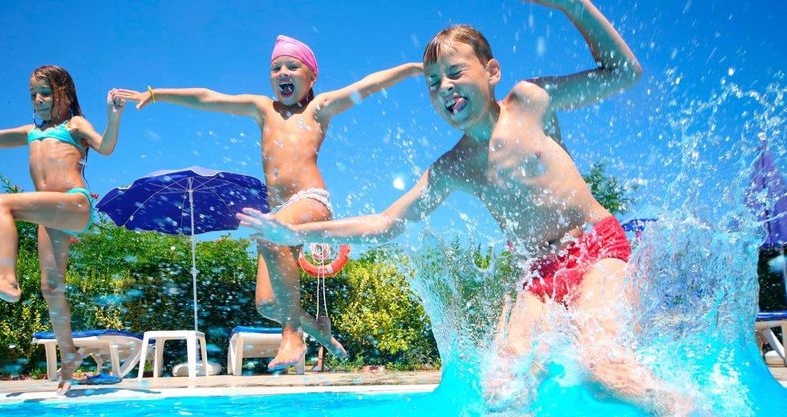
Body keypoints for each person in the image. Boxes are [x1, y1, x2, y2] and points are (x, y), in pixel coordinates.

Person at [238, 2, 696, 414]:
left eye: (456, 73)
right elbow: (385, 224)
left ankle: (687, 408)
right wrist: (296, 233)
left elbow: (623, 72)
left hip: (596, 248)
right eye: (434, 83)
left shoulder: (530, 102)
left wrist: (573, 7)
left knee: (603, 371)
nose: (445, 88)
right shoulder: (453, 167)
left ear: (491, 71)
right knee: (502, 392)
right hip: (538, 277)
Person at [116, 35, 422, 370]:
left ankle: (293, 335)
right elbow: (209, 98)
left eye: (292, 66)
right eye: (276, 67)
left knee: (271, 235)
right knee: (267, 303)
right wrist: (158, 94)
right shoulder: (263, 109)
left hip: (311, 201)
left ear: (311, 77)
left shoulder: (318, 109)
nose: (283, 72)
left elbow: (368, 84)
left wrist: (411, 69)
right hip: (279, 212)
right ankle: (318, 329)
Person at [0, 65, 126, 394]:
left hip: (73, 203)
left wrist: (113, 116)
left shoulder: (75, 125)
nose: (39, 99)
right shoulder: (31, 131)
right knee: (51, 288)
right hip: (51, 216)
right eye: (33, 94)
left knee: (1, 203)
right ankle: (69, 355)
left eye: (46, 92)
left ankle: (6, 278)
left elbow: (107, 146)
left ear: (64, 94)